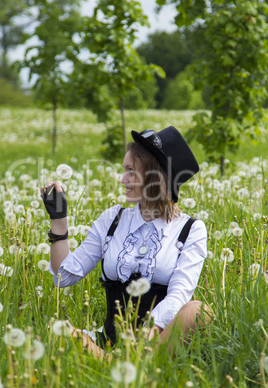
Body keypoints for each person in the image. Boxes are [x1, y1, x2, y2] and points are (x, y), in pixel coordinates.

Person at [41, 126, 211, 360]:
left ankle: (130, 364)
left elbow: (180, 293)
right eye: (124, 170)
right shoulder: (113, 219)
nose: (123, 180)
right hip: (110, 340)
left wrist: (150, 334)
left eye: (131, 171)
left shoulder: (191, 229)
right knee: (57, 332)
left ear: (155, 175)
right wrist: (58, 220)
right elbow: (64, 276)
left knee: (197, 311)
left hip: (157, 339)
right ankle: (122, 367)